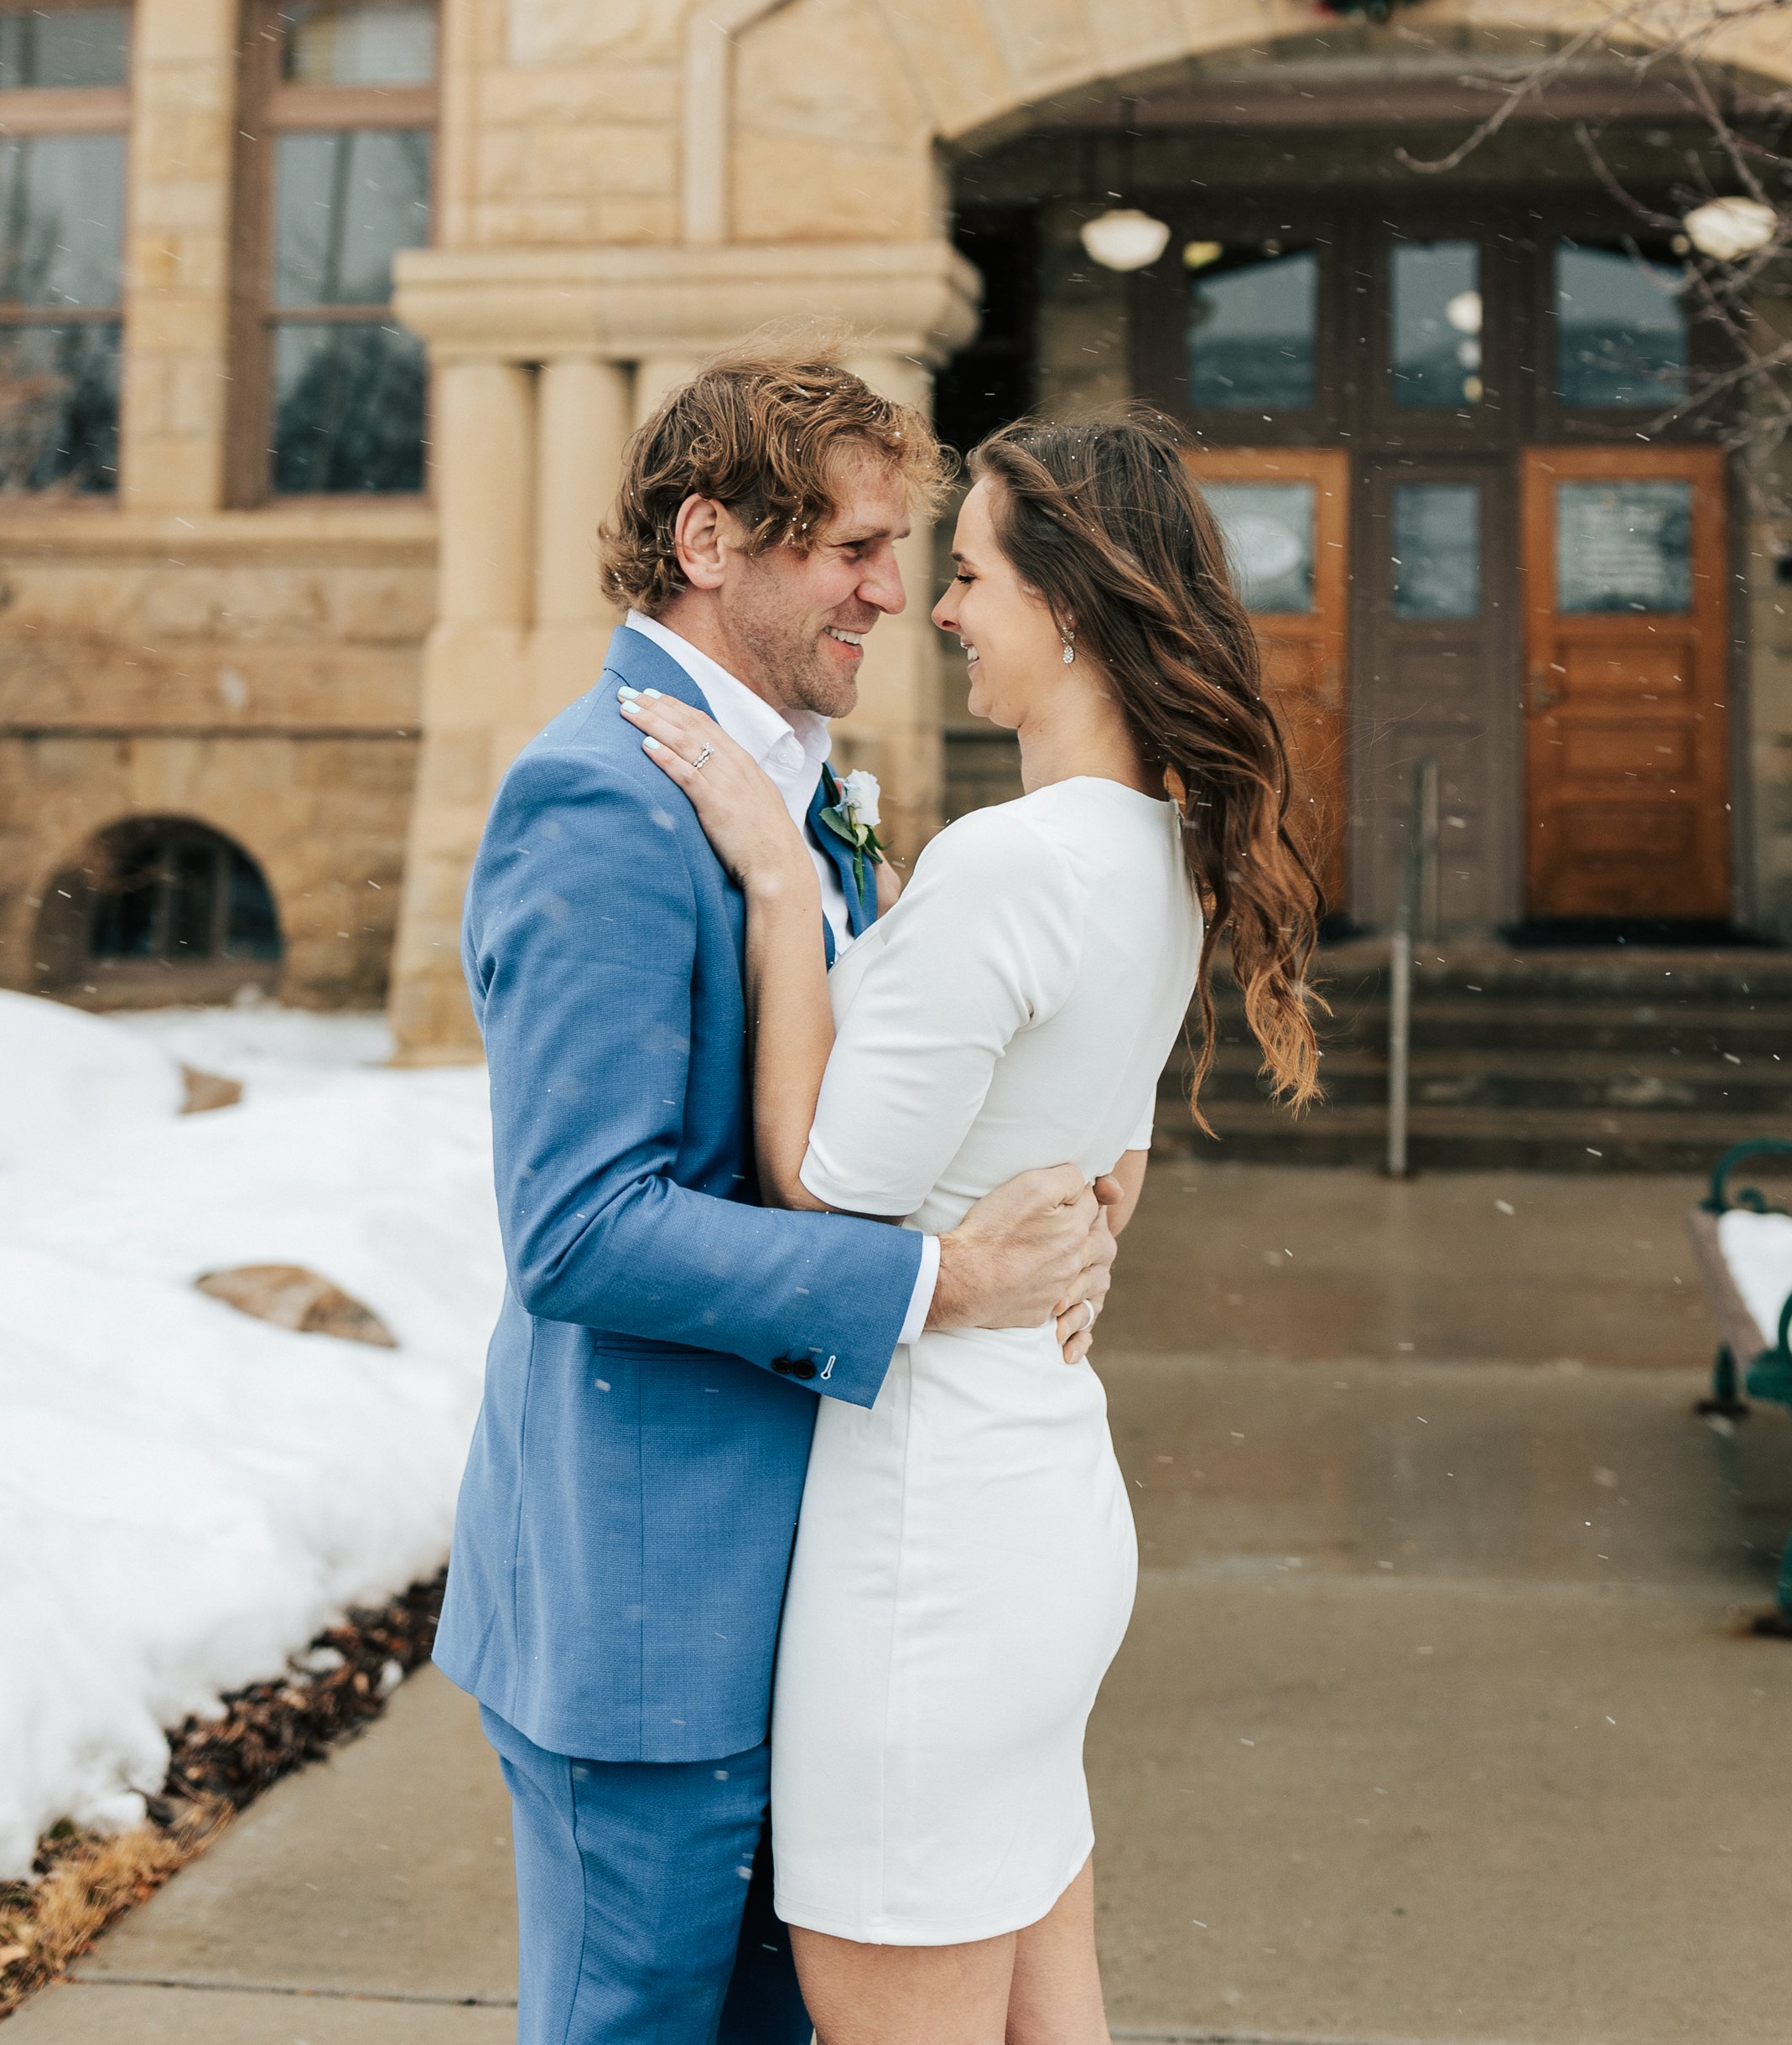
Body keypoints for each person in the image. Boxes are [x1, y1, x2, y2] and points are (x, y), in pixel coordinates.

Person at [434, 357, 1122, 2045]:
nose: (893, 589)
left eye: (903, 549)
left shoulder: (796, 792)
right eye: (853, 547)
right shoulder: (596, 798)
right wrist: (934, 1282)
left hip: (810, 1606)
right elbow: (580, 1228)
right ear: (707, 538)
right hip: (651, 1616)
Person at [620, 413, 1322, 2045]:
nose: (936, 610)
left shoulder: (1010, 865)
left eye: (965, 574)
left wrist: (789, 899)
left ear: (1067, 606)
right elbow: (1111, 1169)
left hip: (924, 1546)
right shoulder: (1162, 855)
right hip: (1042, 1504)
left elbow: (833, 1191)